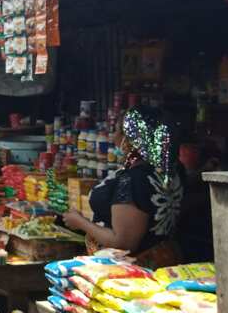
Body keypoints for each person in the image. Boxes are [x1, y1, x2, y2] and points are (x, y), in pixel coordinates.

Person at [64, 106, 185, 267]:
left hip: (135, 271)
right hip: (165, 259)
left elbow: (122, 243)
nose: (113, 136)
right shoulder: (174, 169)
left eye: (117, 131)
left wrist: (80, 222)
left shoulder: (133, 180)